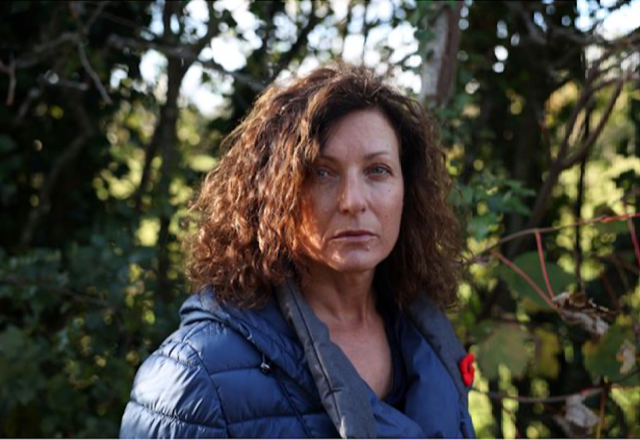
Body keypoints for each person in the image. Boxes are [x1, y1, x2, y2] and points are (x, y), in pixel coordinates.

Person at [120, 64, 476, 438]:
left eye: (377, 170)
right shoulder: (194, 378)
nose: (353, 201)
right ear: (276, 193)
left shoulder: (430, 341)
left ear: (408, 188)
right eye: (322, 172)